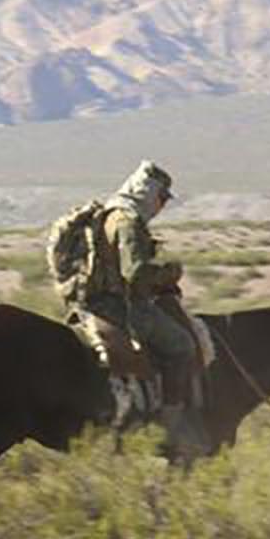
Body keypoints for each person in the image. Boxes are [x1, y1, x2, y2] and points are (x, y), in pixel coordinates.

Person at [72, 160, 208, 457]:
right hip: (122, 308)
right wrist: (168, 274)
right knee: (182, 345)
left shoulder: (110, 216)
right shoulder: (128, 222)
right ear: (148, 194)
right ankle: (171, 428)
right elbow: (135, 273)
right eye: (161, 199)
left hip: (96, 301)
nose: (161, 206)